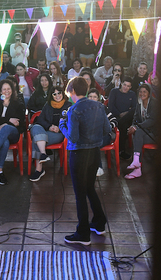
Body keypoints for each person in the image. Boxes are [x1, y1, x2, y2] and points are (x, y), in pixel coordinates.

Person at [59, 76, 109, 245]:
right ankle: (99, 222)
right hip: (94, 153)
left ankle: (83, 233)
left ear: (72, 91)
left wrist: (62, 125)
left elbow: (73, 137)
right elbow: (107, 129)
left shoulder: (74, 110)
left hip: (79, 154)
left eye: (69, 93)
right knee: (89, 188)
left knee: (80, 194)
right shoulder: (99, 106)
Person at [29, 86, 70, 182]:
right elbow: (40, 119)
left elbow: (70, 122)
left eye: (59, 93)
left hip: (59, 133)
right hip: (46, 130)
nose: (57, 96)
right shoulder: (48, 105)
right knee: (35, 127)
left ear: (63, 93)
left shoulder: (68, 106)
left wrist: (59, 128)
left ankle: (39, 170)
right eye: (54, 94)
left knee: (36, 140)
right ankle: (43, 154)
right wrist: (49, 126)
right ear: (51, 96)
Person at [125, 83, 157, 179]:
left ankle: (137, 166)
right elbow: (135, 118)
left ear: (149, 93)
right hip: (144, 132)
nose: (142, 94)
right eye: (140, 92)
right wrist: (133, 126)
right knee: (138, 134)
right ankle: (137, 165)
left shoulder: (154, 103)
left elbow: (152, 120)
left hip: (155, 134)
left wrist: (136, 127)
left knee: (137, 134)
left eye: (144, 92)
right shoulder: (139, 103)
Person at [108, 77, 137, 160]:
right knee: (123, 126)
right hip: (116, 117)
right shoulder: (114, 91)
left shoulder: (132, 94)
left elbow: (134, 107)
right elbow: (110, 106)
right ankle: (121, 151)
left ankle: (120, 123)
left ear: (130, 87)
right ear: (121, 84)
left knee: (135, 109)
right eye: (124, 84)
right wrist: (119, 114)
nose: (125, 87)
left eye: (128, 86)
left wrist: (126, 113)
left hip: (127, 117)